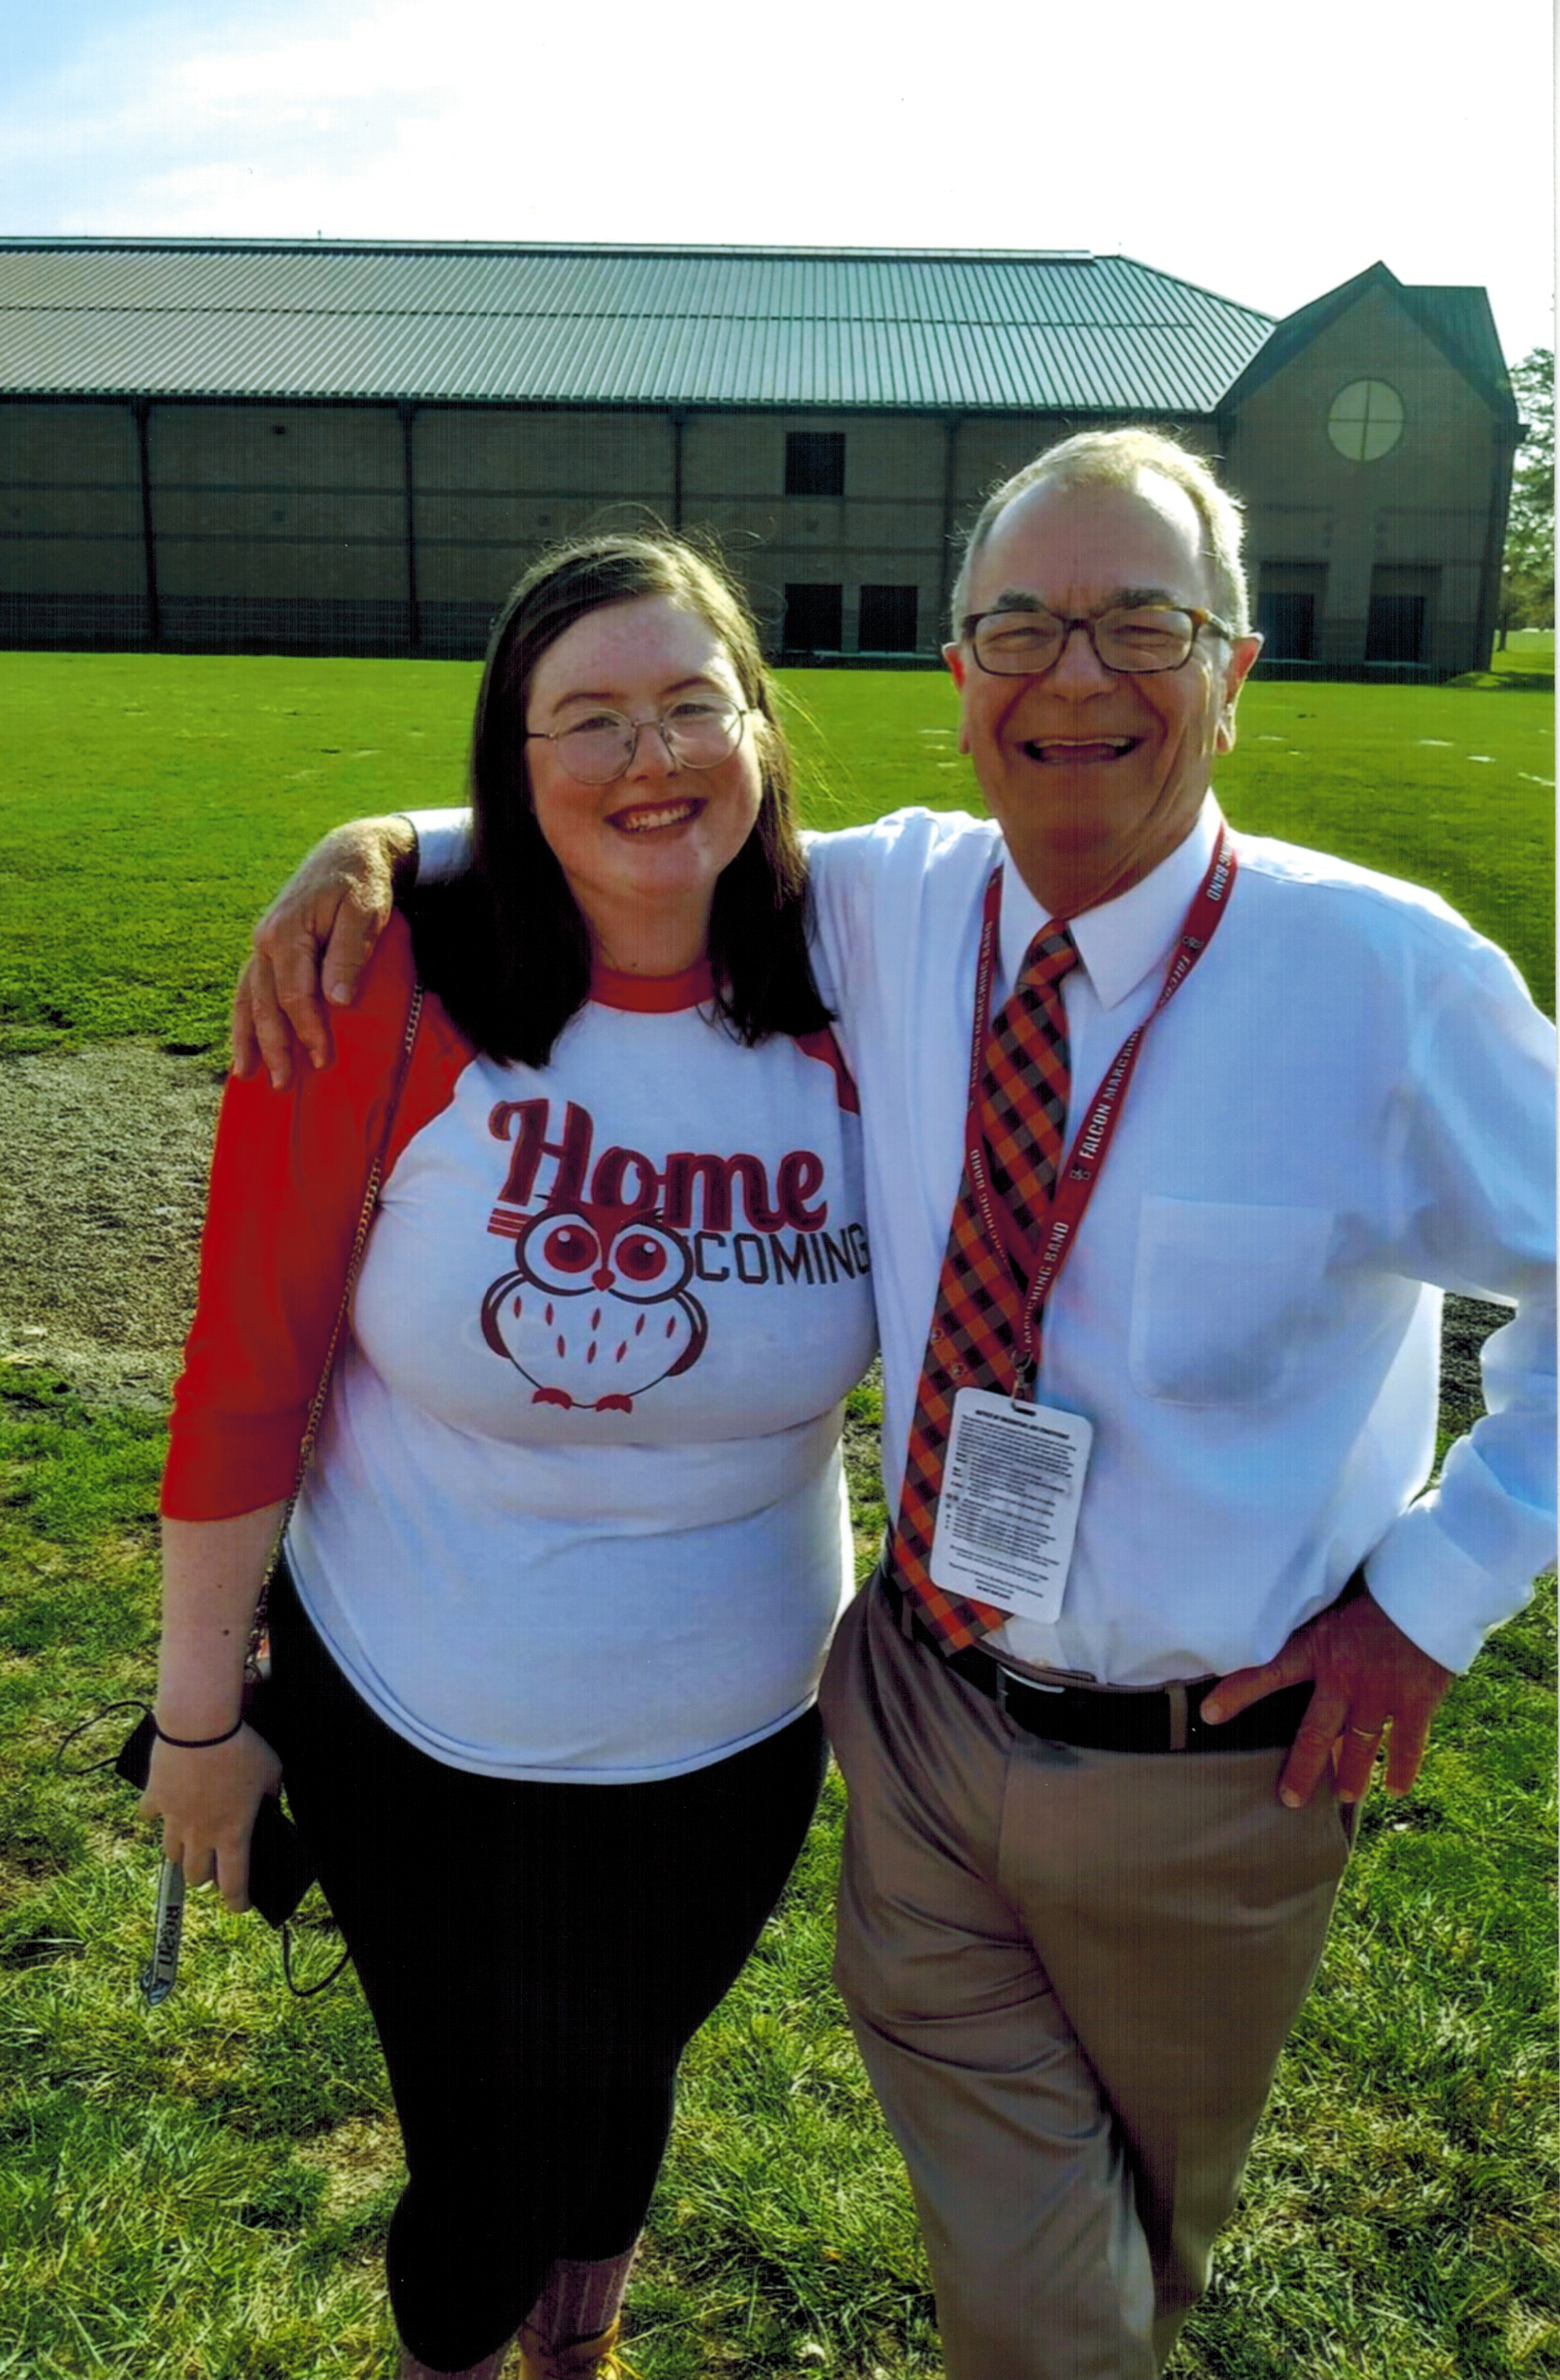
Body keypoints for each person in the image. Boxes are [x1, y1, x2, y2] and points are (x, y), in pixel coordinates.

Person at [234, 430, 1555, 2379]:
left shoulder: (1380, 981)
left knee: (1132, 2261)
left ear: (1236, 668)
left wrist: (1436, 1590)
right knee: (1048, 2304)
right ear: (955, 674)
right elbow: (642, 804)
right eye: (1016, 626)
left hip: (1208, 1780)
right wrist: (379, 851)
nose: (1071, 677)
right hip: (916, 1727)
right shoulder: (890, 908)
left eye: (1138, 626)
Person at [144, 533, 877, 2380]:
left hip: (736, 1725)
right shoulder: (383, 981)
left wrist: (392, 823)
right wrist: (202, 1722)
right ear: (512, 757)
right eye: (587, 721)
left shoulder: (873, 979)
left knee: (626, 2076)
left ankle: (582, 2350)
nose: (648, 759)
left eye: (688, 707)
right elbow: (245, 1368)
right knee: (480, 2149)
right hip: (418, 1715)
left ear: (762, 731)